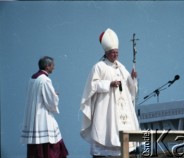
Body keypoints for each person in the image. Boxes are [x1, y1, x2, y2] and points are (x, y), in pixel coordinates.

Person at [80, 28, 140, 157]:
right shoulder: (99, 67)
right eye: (113, 52)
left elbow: (130, 88)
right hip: (107, 109)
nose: (115, 55)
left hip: (124, 109)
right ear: (106, 52)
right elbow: (92, 85)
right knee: (106, 134)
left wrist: (133, 78)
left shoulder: (121, 66)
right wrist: (109, 84)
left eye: (117, 52)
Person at [21, 56, 68, 158]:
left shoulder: (32, 78)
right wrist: (54, 95)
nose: (54, 68)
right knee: (51, 146)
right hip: (43, 117)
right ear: (47, 66)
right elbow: (50, 101)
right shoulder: (45, 80)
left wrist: (51, 94)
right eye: (52, 65)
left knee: (36, 146)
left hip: (33, 118)